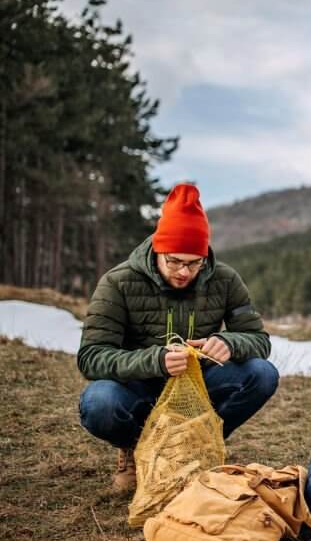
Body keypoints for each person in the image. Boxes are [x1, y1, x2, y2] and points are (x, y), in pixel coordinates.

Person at [77, 184, 278, 491]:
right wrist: (154, 360)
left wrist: (229, 343)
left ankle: (196, 447)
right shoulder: (118, 283)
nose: (184, 272)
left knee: (262, 374)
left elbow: (258, 340)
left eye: (194, 263)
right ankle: (136, 450)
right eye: (174, 261)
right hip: (138, 386)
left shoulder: (225, 279)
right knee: (99, 402)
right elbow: (91, 358)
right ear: (158, 249)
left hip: (198, 385)